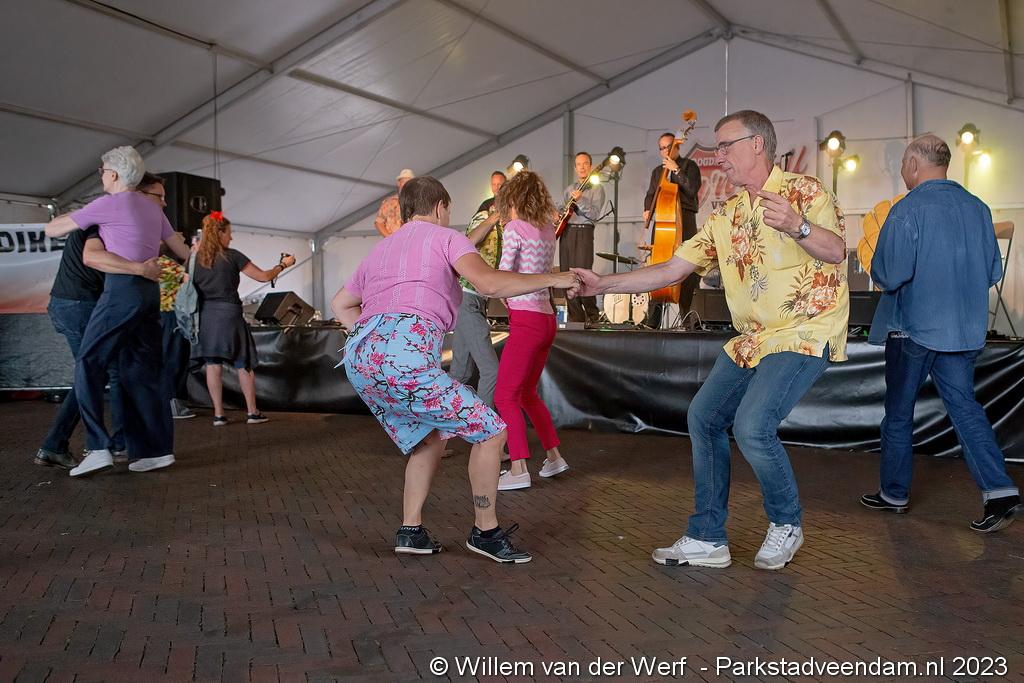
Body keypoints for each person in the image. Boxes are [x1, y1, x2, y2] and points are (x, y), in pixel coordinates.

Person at [571, 110, 849, 570]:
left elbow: (836, 250)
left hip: (804, 330)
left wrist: (797, 225)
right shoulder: (727, 215)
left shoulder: (805, 192)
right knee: (704, 417)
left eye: (725, 145)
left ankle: (786, 522)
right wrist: (604, 284)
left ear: (756, 144)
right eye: (717, 147)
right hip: (754, 337)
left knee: (753, 426)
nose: (719, 156)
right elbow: (671, 269)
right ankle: (707, 537)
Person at [331, 176, 579, 563]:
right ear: (440, 207)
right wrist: (556, 279)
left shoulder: (381, 249)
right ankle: (485, 532)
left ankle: (411, 531)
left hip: (361, 358)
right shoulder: (447, 238)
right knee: (492, 431)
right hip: (405, 359)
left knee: (429, 437)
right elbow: (489, 284)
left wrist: (379, 341)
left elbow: (340, 304)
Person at [861, 134, 1020, 532]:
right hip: (963, 331)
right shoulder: (979, 209)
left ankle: (894, 493)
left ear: (915, 164)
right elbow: (992, 272)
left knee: (899, 414)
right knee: (965, 408)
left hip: (912, 330)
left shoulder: (906, 209)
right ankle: (1000, 492)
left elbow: (889, 274)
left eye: (903, 163)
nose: (902, 170)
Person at [44, 146, 191, 476]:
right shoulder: (153, 210)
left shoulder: (107, 204)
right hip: (149, 295)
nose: (101, 176)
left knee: (88, 363)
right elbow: (183, 252)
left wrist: (77, 215)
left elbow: (52, 230)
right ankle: (155, 451)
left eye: (102, 171)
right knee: (143, 371)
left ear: (112, 174)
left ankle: (98, 448)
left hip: (121, 292)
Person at [492, 171, 570, 491]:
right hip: (546, 318)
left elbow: (503, 274)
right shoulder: (548, 228)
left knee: (504, 395)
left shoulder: (514, 228)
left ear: (512, 198)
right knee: (526, 394)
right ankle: (554, 457)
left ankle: (518, 468)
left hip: (525, 319)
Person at [34, 222, 131, 469]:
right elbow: (94, 258)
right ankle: (113, 445)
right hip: (81, 305)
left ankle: (56, 445)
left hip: (68, 304)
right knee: (101, 374)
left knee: (92, 374)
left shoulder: (91, 222)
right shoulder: (101, 226)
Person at [189, 212, 295, 426]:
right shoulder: (233, 256)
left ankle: (218, 415)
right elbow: (264, 276)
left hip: (206, 316)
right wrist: (284, 264)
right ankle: (252, 412)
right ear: (220, 233)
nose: (231, 237)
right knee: (243, 363)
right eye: (229, 233)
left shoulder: (195, 259)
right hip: (229, 315)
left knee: (213, 364)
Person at [135, 173, 196, 420]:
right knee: (174, 358)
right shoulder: (165, 264)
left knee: (166, 358)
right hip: (170, 316)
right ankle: (173, 402)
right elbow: (190, 277)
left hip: (159, 314)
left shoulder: (156, 262)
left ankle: (166, 401)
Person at [450, 170, 505, 407]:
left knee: (460, 373)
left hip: (476, 300)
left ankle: (442, 425)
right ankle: (482, 426)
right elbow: (468, 241)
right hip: (467, 298)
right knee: (491, 371)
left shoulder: (505, 227)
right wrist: (493, 218)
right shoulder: (484, 216)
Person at [642, 132, 703, 324]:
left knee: (687, 270)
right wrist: (647, 208)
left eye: (668, 146)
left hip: (685, 220)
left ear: (677, 146)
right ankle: (653, 321)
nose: (665, 151)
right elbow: (650, 194)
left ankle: (689, 320)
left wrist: (676, 170)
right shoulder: (657, 172)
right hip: (663, 222)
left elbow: (692, 189)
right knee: (658, 268)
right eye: (662, 148)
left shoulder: (689, 166)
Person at [560, 152, 605, 323]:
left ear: (591, 166)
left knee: (584, 275)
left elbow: (594, 214)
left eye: (585, 163)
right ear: (575, 168)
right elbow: (562, 211)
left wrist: (581, 200)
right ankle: (575, 319)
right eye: (578, 164)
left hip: (584, 231)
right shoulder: (569, 189)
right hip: (567, 232)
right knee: (566, 275)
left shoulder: (597, 188)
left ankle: (593, 317)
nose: (582, 167)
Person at [374, 169, 414, 237]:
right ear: (398, 183)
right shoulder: (389, 202)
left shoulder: (418, 202)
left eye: (409, 183)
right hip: (392, 240)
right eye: (403, 182)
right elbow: (378, 223)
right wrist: (390, 238)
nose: (406, 185)